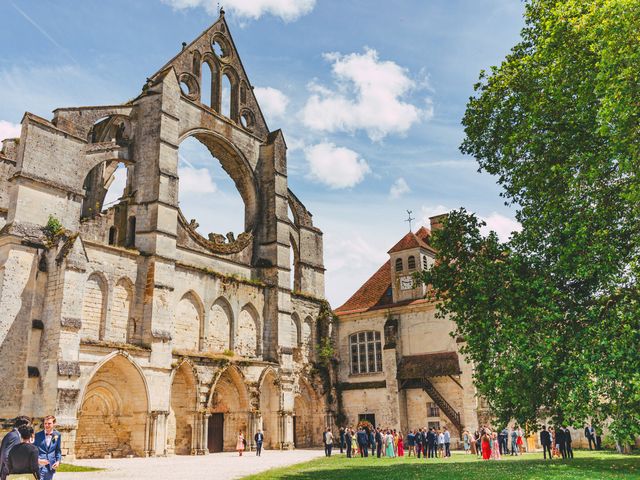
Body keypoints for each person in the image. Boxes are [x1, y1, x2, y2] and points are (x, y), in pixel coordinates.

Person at [0, 416, 31, 480]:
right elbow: (6, 455)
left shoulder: (12, 434)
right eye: (28, 427)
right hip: (9, 473)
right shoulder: (15, 436)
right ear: (23, 426)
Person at [34, 416, 62, 480]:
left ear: (54, 424)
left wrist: (58, 461)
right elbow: (33, 450)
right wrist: (38, 460)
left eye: (49, 423)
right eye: (45, 423)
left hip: (50, 467)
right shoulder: (37, 435)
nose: (46, 425)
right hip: (39, 466)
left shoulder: (57, 435)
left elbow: (58, 450)